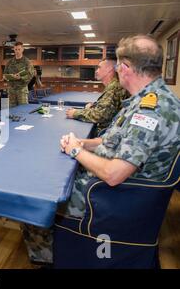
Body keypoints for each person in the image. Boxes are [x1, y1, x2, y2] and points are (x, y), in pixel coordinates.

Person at [22, 35, 180, 266]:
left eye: (118, 65)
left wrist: (76, 152)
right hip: (120, 188)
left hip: (111, 196)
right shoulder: (148, 100)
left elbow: (114, 174)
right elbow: (113, 140)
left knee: (36, 193)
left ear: (125, 68)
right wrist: (83, 143)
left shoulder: (150, 110)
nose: (116, 70)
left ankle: (47, 258)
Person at [65, 58, 129, 136]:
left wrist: (75, 113)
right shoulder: (113, 85)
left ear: (109, 69)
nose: (96, 71)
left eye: (99, 68)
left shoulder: (114, 88)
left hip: (105, 134)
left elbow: (100, 115)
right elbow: (107, 108)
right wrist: (94, 106)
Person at [3, 42, 39, 107]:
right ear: (14, 49)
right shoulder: (9, 62)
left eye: (19, 49)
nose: (17, 51)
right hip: (11, 90)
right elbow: (5, 73)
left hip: (22, 89)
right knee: (12, 110)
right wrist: (5, 77)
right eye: (16, 49)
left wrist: (21, 78)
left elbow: (30, 75)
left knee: (23, 109)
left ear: (22, 49)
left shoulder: (27, 62)